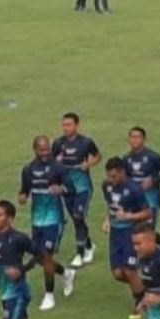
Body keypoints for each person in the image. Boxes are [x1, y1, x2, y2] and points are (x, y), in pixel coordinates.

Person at [18, 135, 76, 311]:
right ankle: (66, 273)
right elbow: (24, 190)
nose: (45, 153)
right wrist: (22, 197)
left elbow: (71, 189)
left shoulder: (58, 168)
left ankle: (49, 296)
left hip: (54, 219)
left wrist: (61, 189)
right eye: (41, 150)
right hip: (37, 220)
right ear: (35, 149)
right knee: (41, 258)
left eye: (47, 149)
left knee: (46, 254)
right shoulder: (28, 170)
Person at [101, 157, 152, 319]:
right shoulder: (106, 186)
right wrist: (107, 220)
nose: (111, 180)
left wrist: (128, 216)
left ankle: (141, 303)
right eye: (109, 176)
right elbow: (111, 206)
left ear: (123, 172)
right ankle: (148, 288)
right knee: (117, 273)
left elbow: (147, 213)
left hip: (131, 233)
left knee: (129, 270)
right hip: (115, 234)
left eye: (114, 176)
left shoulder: (134, 189)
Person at [52, 112, 101, 267]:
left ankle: (79, 253)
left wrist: (89, 164)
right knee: (75, 218)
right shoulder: (58, 143)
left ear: (76, 126)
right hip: (67, 187)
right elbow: (51, 163)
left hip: (83, 186)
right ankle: (89, 245)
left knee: (78, 215)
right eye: (64, 125)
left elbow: (98, 156)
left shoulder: (86, 142)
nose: (66, 128)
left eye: (69, 125)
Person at [122, 127, 160, 225]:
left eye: (138, 137)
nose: (135, 140)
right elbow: (124, 178)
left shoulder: (152, 156)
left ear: (144, 139)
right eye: (132, 137)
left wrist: (153, 181)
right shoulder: (126, 158)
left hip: (151, 200)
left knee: (148, 231)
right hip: (134, 200)